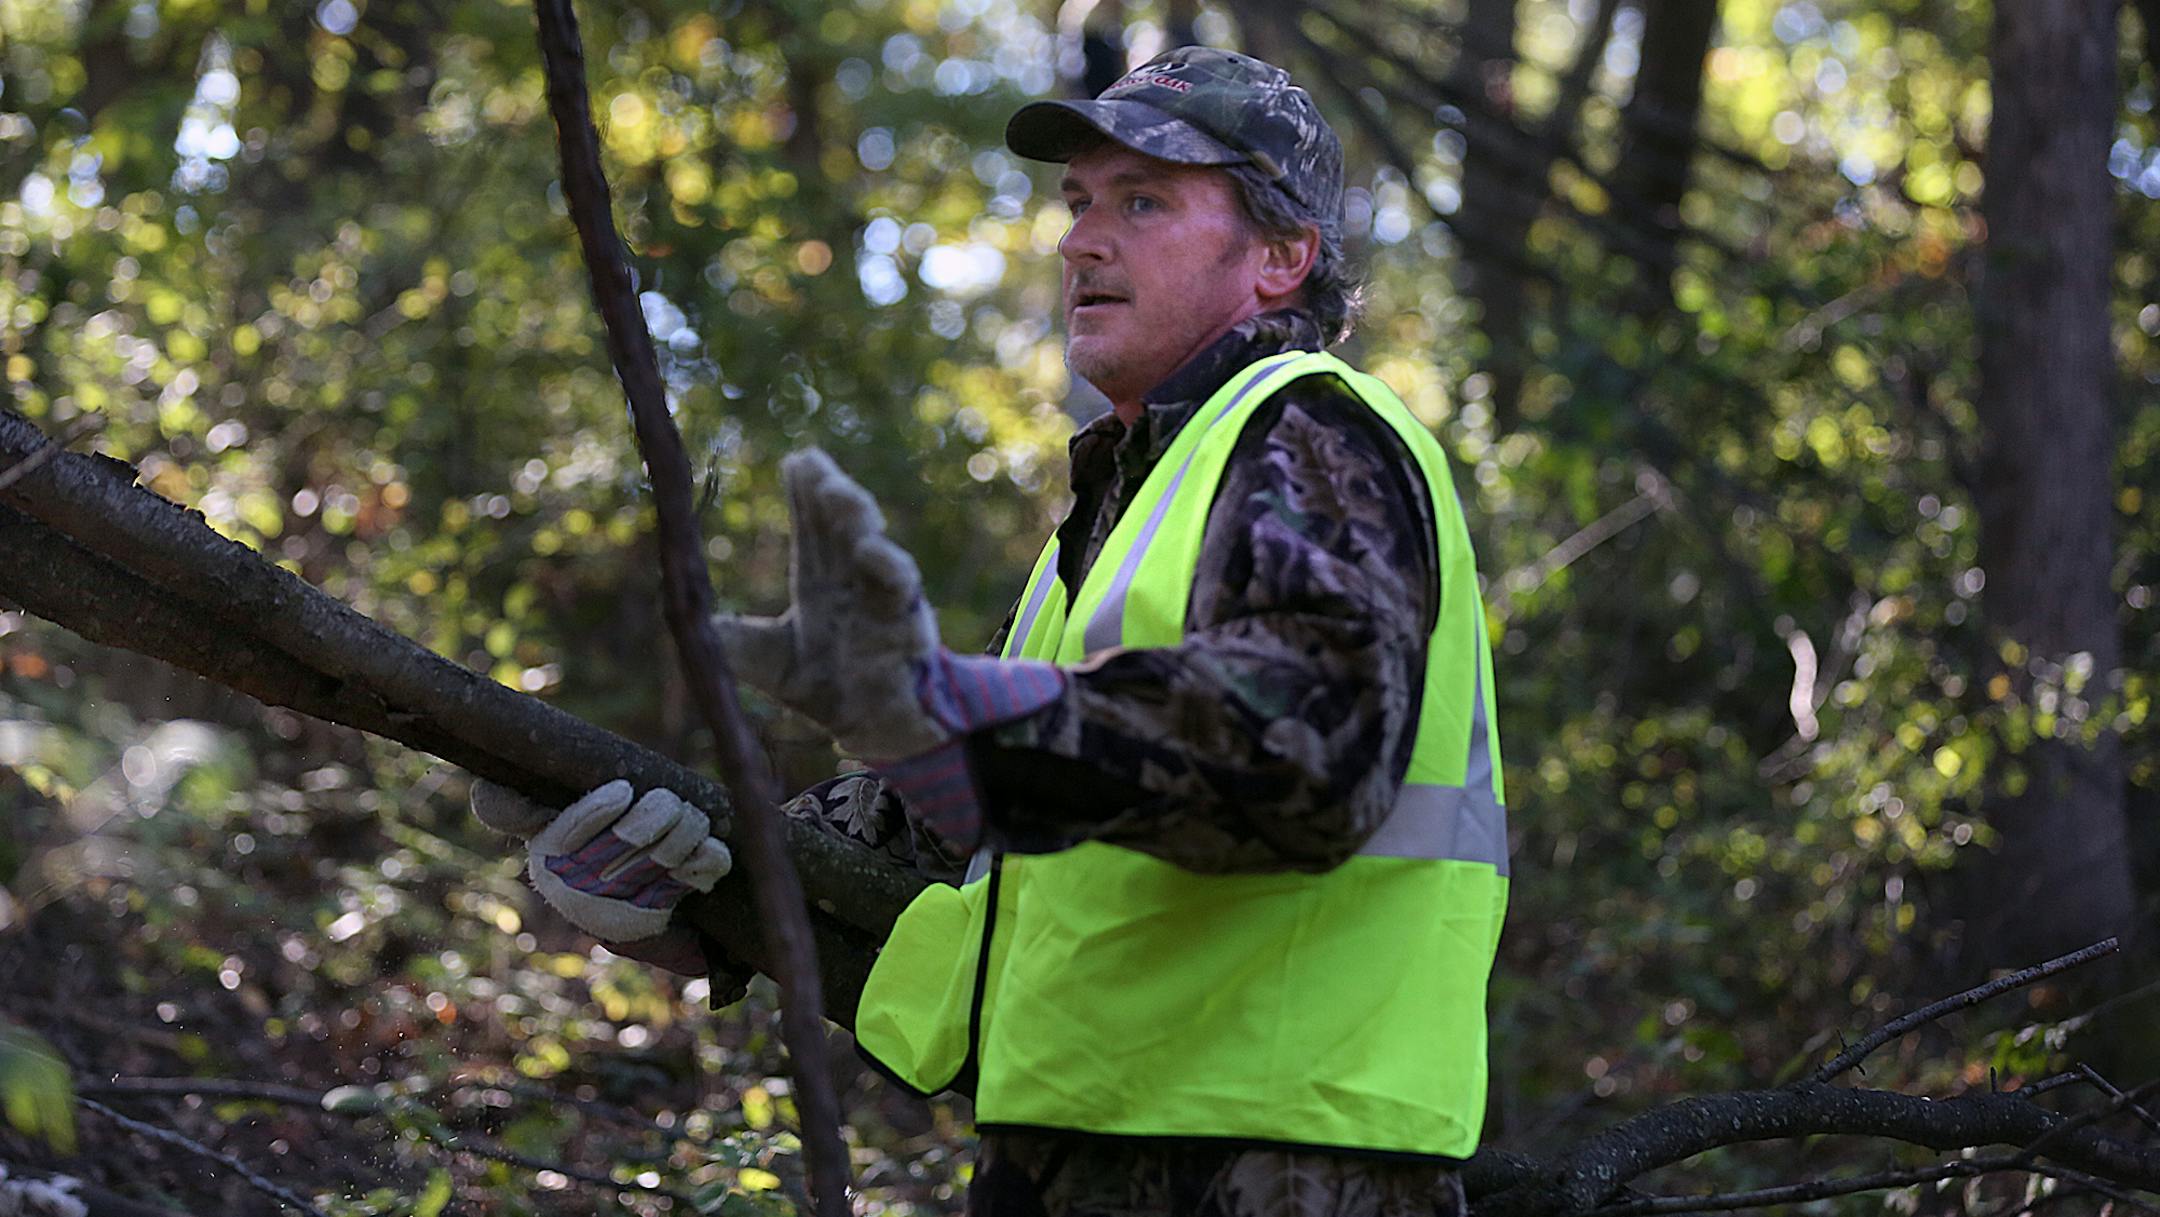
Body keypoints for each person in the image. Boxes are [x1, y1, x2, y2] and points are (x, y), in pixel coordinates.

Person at [473, 46, 1508, 1217]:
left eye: (1143, 202)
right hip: (1081, 1151)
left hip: (1281, 1165)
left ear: (1282, 258)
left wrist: (947, 716)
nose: (1082, 241)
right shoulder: (1124, 503)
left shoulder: (1308, 433)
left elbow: (1301, 751)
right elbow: (944, 833)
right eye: (1079, 203)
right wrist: (691, 881)